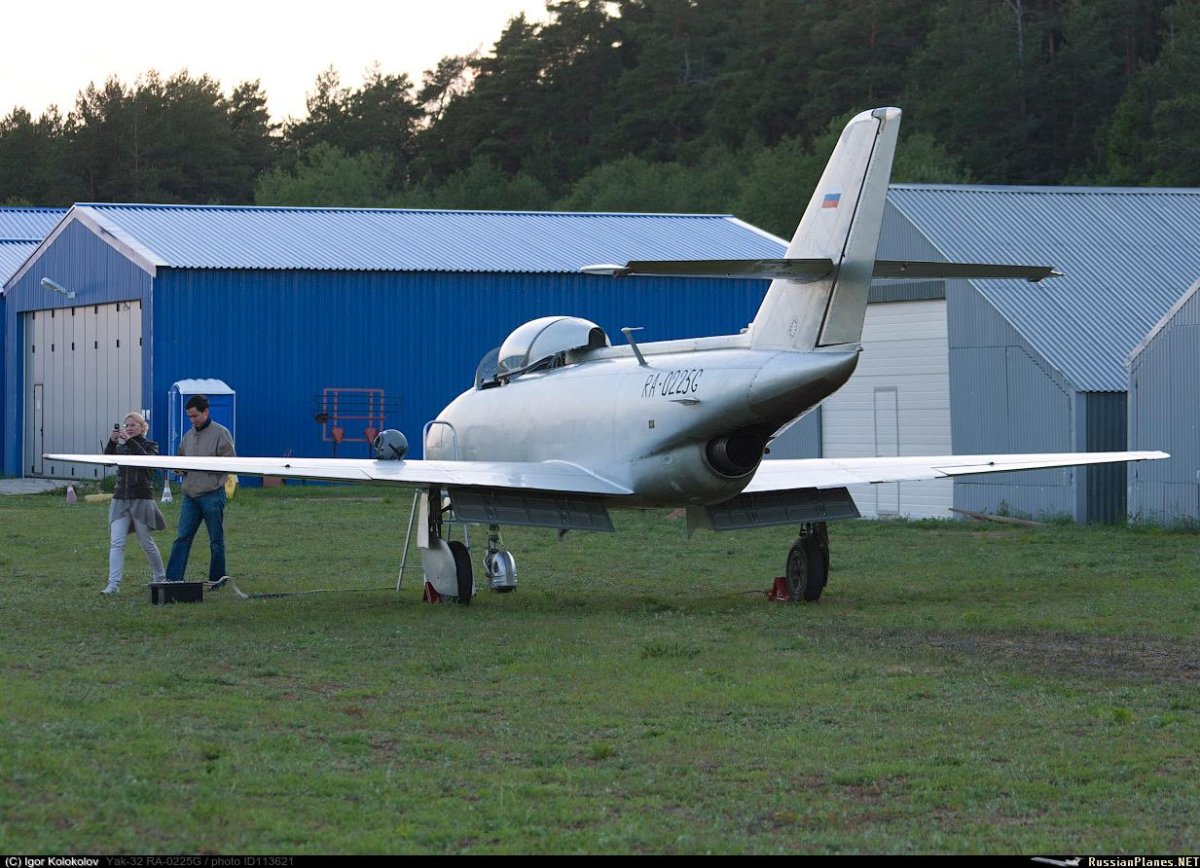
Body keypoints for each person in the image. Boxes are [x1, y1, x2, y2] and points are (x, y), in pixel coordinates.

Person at [164, 394, 236, 589]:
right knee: (182, 538)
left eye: (195, 416)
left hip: (212, 494)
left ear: (206, 412)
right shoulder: (188, 437)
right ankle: (173, 579)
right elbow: (181, 460)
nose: (192, 420)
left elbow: (231, 461)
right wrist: (179, 469)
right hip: (190, 496)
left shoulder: (221, 433)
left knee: (216, 541)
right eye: (189, 417)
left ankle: (217, 580)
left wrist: (208, 466)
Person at [102, 412, 167, 594]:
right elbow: (107, 461)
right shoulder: (122, 447)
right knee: (116, 542)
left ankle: (160, 577)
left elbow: (147, 463)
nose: (128, 428)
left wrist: (129, 440)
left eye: (133, 425)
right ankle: (113, 584)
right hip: (121, 498)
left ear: (142, 427)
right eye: (126, 425)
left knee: (146, 542)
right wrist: (112, 443)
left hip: (142, 498)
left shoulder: (151, 445)